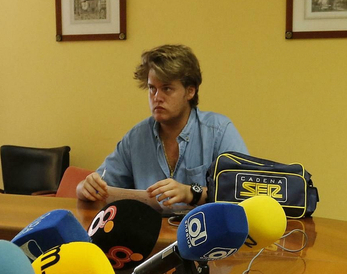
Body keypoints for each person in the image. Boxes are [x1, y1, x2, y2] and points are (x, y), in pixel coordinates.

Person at [77, 45, 247, 209]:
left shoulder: (219, 131)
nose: (157, 97)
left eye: (167, 89)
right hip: (149, 233)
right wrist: (85, 188)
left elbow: (243, 193)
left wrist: (191, 193)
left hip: (205, 234)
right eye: (152, 89)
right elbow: (97, 184)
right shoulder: (136, 137)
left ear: (190, 91)